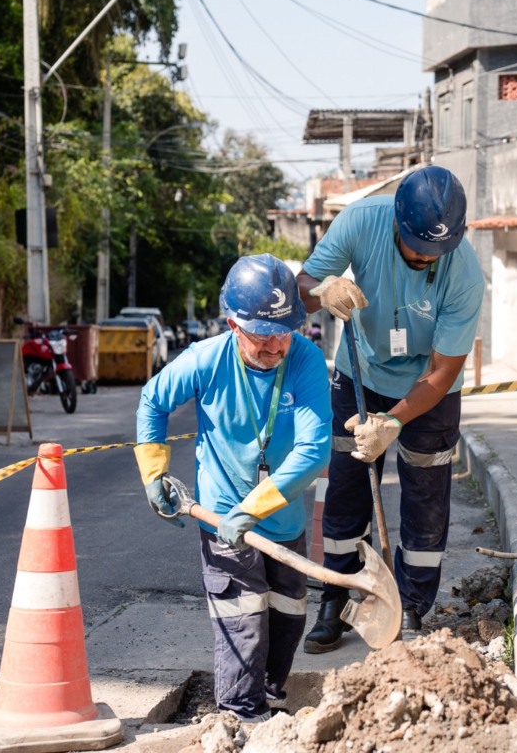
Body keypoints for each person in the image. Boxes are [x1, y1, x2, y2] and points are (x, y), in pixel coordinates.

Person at [295, 164, 484, 653]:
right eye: (416, 246)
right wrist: (322, 288)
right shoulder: (360, 221)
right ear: (398, 224)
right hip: (362, 375)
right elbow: (302, 286)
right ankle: (336, 598)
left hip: (429, 392)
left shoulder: (464, 273)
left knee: (425, 494)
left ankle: (412, 606)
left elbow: (442, 371)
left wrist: (396, 421)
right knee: (346, 487)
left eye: (435, 250)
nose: (424, 257)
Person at [134, 254, 332, 721]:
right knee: (242, 616)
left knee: (289, 613)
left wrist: (256, 508)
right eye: (261, 335)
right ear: (232, 324)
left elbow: (314, 450)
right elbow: (152, 401)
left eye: (283, 331)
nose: (274, 345)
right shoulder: (206, 359)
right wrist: (154, 470)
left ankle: (269, 695)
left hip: (281, 515)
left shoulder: (305, 361)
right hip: (221, 514)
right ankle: (241, 715)